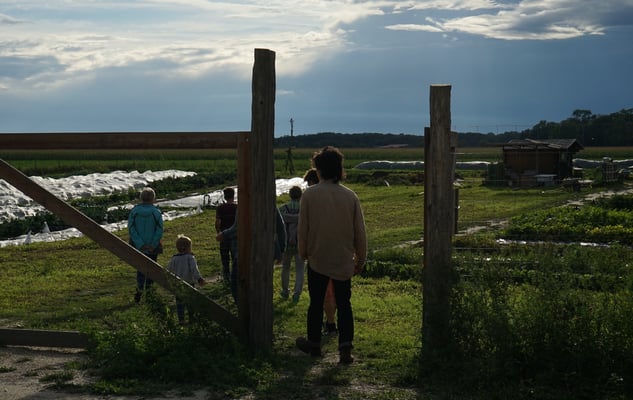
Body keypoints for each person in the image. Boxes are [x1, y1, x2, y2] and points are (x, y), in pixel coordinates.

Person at [296, 146, 367, 364]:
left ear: (318, 170)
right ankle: (345, 348)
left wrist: (303, 252)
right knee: (344, 305)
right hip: (343, 259)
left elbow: (303, 229)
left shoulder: (309, 195)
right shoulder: (350, 196)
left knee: (316, 303)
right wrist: (360, 258)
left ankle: (314, 344)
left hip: (318, 258)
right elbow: (360, 231)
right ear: (339, 169)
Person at [216, 206, 286, 304]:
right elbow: (280, 226)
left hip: (246, 250)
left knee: (237, 283)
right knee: (263, 282)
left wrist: (223, 234)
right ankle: (260, 304)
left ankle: (244, 307)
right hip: (268, 249)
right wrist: (281, 249)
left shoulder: (245, 203)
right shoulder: (270, 203)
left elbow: (238, 228)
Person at [304, 168, 337, 335]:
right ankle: (332, 324)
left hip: (319, 252)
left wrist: (304, 251)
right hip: (338, 251)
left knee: (322, 295)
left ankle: (326, 327)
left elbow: (305, 228)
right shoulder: (339, 195)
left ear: (312, 181)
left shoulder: (311, 198)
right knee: (335, 292)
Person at [128, 187, 164, 303]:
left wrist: (139, 243)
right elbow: (159, 229)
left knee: (140, 269)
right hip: (153, 247)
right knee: (151, 269)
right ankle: (150, 293)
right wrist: (153, 244)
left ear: (141, 198)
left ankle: (139, 291)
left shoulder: (134, 212)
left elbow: (131, 228)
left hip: (138, 246)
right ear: (153, 199)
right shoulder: (156, 212)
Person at [167, 235, 206, 325]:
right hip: (189, 283)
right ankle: (191, 318)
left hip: (178, 284)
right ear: (187, 248)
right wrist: (199, 279)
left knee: (179, 302)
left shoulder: (174, 259)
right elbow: (194, 269)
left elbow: (168, 270)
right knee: (191, 301)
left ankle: (181, 319)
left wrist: (170, 281)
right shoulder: (190, 258)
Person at [279, 186, 305, 303]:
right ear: (301, 196)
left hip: (286, 243)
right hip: (300, 243)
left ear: (290, 195)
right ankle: (297, 293)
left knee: (285, 267)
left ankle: (285, 291)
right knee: (300, 269)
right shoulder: (304, 210)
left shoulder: (282, 209)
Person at [215, 187, 237, 283]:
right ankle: (235, 277)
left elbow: (218, 222)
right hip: (235, 236)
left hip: (224, 235)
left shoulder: (220, 208)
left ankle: (226, 277)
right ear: (233, 196)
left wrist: (219, 232)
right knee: (235, 257)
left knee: (225, 258)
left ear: (224, 196)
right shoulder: (237, 207)